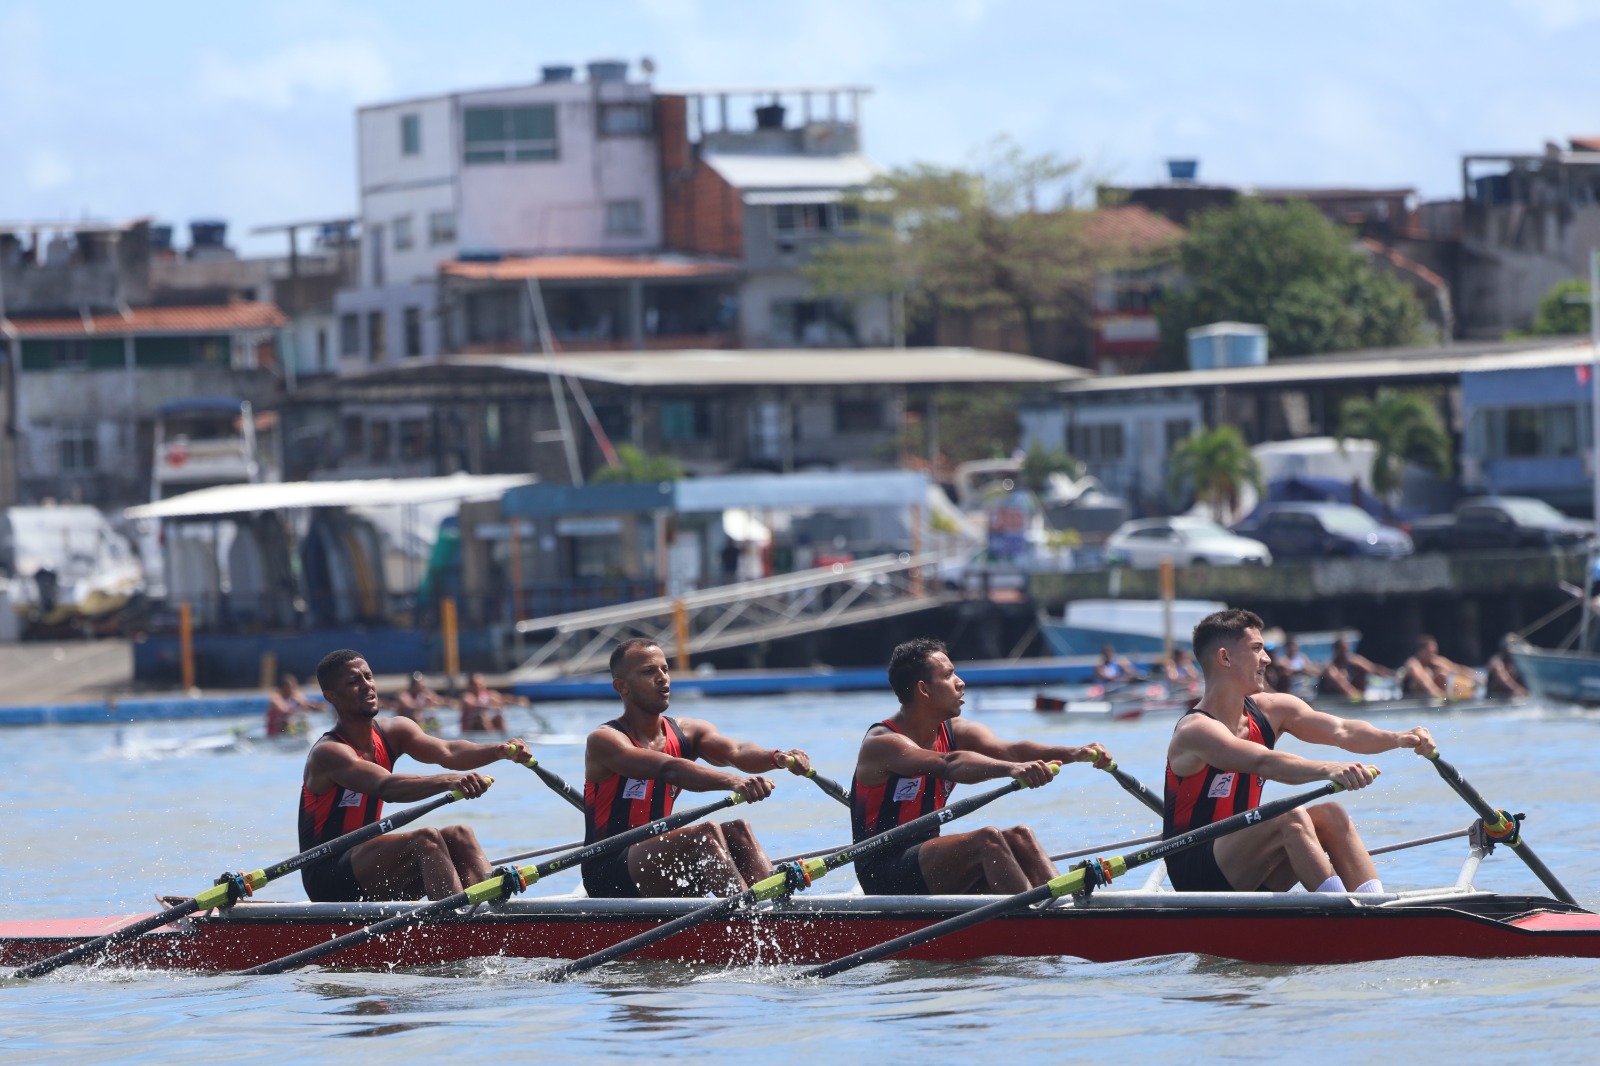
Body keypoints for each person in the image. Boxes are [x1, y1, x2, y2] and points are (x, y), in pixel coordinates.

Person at [1164, 608, 1434, 895]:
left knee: (1332, 814)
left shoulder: (1273, 710)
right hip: (1196, 871)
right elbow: (1263, 761)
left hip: (1249, 861)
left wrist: (1398, 737)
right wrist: (1330, 769)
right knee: (1289, 816)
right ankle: (1346, 917)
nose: (1267, 659)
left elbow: (1343, 730)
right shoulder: (1195, 731)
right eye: (1257, 649)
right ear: (1225, 658)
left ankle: (1375, 908)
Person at [849, 637, 1112, 896]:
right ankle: (1038, 925)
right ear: (924, 689)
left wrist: (1076, 753)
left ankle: (1063, 909)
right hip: (883, 871)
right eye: (949, 675)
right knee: (988, 840)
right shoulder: (883, 744)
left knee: (1021, 836)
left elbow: (1012, 750)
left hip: (929, 859)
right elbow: (949, 764)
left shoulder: (956, 732)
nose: (960, 682)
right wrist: (1011, 770)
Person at [581, 638, 816, 898]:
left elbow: (736, 752)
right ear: (621, 686)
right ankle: (749, 924)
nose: (662, 678)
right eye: (649, 671)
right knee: (705, 834)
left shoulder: (689, 732)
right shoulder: (605, 740)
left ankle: (777, 915)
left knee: (738, 830)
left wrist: (776, 757)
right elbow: (668, 769)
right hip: (609, 869)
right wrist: (733, 782)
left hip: (663, 862)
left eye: (665, 669)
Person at [298, 649, 528, 902]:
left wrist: (498, 750)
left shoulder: (395, 731)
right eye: (354, 682)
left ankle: (488, 916)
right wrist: (451, 781)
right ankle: (456, 929)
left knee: (460, 834)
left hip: (372, 865)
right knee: (425, 839)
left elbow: (449, 751)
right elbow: (386, 786)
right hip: (328, 875)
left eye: (368, 677)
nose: (367, 686)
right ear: (331, 697)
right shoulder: (328, 753)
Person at [1317, 637, 1395, 700]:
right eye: (1343, 650)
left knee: (1362, 669)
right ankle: (1357, 697)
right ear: (1336, 650)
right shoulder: (1331, 668)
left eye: (1347, 649)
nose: (1346, 652)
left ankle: (1360, 695)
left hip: (1353, 695)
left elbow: (1373, 669)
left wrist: (1394, 676)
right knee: (1342, 679)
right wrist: (1356, 696)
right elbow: (1341, 683)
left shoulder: (1354, 661)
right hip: (1332, 697)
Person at [1399, 635, 1475, 699]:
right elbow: (1425, 681)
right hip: (1412, 697)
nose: (1433, 655)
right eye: (1430, 652)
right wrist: (1443, 697)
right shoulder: (1413, 664)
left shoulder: (1435, 661)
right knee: (1428, 672)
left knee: (1442, 673)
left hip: (1433, 696)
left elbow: (1458, 669)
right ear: (1421, 651)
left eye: (1434, 652)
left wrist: (1480, 679)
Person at [459, 672, 525, 733]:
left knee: (498, 716)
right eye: (475, 685)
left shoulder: (490, 694)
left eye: (480, 684)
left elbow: (502, 699)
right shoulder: (467, 696)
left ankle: (504, 737)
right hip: (470, 727)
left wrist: (517, 701)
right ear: (471, 686)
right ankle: (491, 736)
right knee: (481, 717)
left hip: (485, 723)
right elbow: (471, 704)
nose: (478, 687)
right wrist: (491, 704)